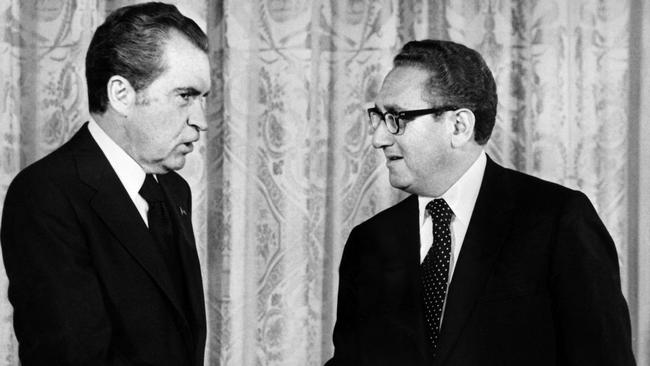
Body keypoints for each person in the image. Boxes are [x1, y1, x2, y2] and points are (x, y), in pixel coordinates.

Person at [325, 40, 635, 366]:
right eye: (378, 116)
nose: (379, 138)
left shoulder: (558, 221)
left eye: (398, 118)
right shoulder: (369, 242)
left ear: (459, 126)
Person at [0, 2, 210, 365]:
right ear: (120, 94)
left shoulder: (175, 191)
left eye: (203, 99)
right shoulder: (46, 195)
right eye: (185, 96)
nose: (200, 120)